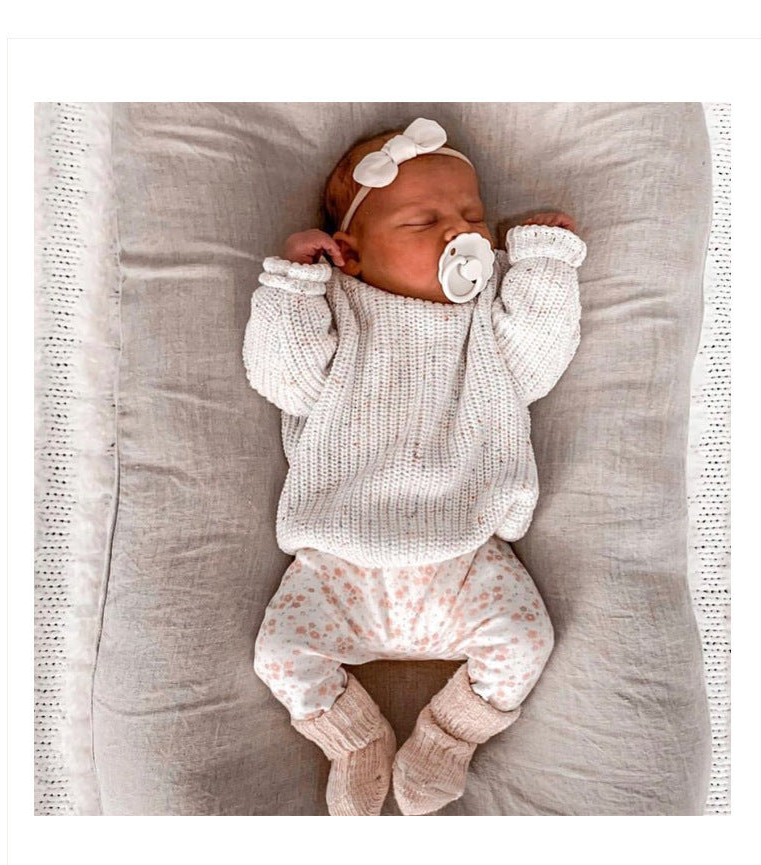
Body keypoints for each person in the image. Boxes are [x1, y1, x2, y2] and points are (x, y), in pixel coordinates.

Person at [242, 117, 586, 815]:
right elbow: (283, 376)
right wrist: (295, 286)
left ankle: (450, 735)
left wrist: (545, 262)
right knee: (278, 654)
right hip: (340, 563)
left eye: (473, 217)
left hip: (464, 558)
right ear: (351, 253)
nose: (461, 232)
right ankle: (354, 741)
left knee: (526, 641)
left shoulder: (483, 326)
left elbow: (539, 357)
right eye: (424, 220)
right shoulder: (342, 316)